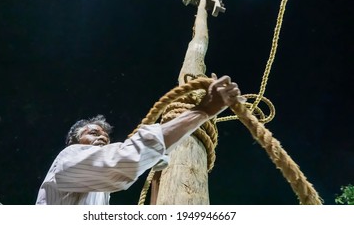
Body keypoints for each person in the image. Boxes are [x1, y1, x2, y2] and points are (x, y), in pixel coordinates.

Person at [36, 74, 243, 205]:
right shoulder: (68, 157)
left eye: (105, 137)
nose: (102, 138)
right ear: (75, 142)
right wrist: (203, 111)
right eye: (93, 133)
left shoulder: (99, 192)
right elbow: (124, 159)